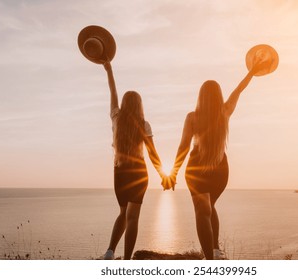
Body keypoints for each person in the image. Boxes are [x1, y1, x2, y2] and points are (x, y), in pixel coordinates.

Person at [165, 58, 270, 260]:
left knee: (202, 211)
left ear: (201, 97)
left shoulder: (192, 117)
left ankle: (210, 261)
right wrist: (252, 72)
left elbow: (183, 147)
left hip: (197, 167)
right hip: (220, 167)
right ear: (218, 96)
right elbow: (238, 90)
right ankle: (214, 250)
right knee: (210, 206)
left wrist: (173, 172)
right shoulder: (224, 111)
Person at [102, 60, 167, 260]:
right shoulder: (143, 125)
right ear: (140, 106)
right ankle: (128, 260)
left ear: (124, 104)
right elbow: (153, 154)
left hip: (119, 172)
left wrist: (109, 69)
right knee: (133, 218)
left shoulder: (116, 118)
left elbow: (112, 92)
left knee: (123, 214)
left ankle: (110, 252)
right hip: (138, 172)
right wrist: (164, 175)